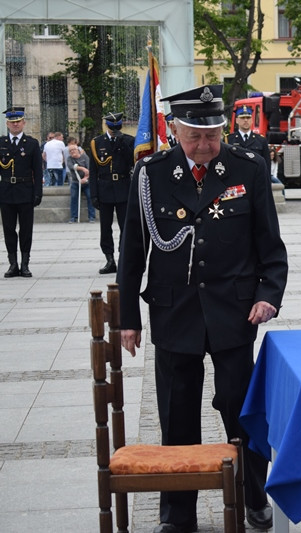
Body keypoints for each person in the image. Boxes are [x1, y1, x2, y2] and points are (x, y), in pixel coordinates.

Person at [116, 84, 288, 533]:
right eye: (194, 136)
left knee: (242, 412)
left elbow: (270, 246)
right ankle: (178, 514)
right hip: (175, 314)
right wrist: (128, 320)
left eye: (211, 135)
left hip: (235, 313)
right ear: (175, 129)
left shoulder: (247, 168)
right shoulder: (150, 174)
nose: (204, 145)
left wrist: (269, 294)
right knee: (176, 414)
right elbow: (133, 251)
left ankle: (254, 496)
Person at [89, 112, 135, 274]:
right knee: (105, 227)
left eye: (117, 128)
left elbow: (132, 162)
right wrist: (93, 194)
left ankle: (124, 257)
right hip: (105, 188)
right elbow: (93, 171)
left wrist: (123, 144)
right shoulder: (97, 143)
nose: (115, 131)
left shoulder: (129, 140)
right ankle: (109, 259)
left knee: (125, 226)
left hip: (123, 187)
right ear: (106, 126)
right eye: (112, 128)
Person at [0, 107, 42, 278]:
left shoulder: (31, 144)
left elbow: (38, 171)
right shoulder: (1, 143)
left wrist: (38, 193)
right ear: (7, 124)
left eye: (18, 121)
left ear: (24, 123)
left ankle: (25, 264)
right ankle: (13, 264)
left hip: (25, 192)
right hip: (6, 192)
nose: (15, 124)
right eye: (12, 122)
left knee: (26, 230)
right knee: (9, 230)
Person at [224, 105, 271, 179]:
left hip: (255, 180)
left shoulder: (261, 140)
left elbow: (267, 166)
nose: (246, 120)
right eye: (242, 118)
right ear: (237, 120)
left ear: (252, 120)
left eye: (248, 118)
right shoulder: (228, 140)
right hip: (235, 180)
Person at [66, 140, 95, 223]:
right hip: (76, 181)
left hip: (86, 181)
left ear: (77, 150)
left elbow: (90, 169)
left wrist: (85, 178)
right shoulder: (69, 159)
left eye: (73, 150)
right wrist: (82, 168)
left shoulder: (85, 157)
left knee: (90, 196)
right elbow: (72, 167)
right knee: (74, 197)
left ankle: (91, 216)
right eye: (70, 151)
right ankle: (73, 217)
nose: (72, 152)